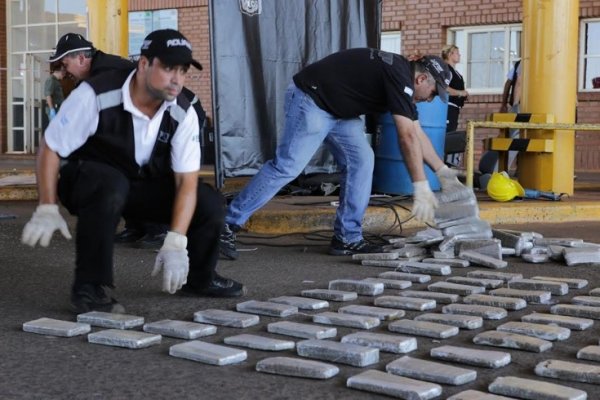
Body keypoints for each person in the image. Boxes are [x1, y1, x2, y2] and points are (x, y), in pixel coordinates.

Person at [22, 29, 245, 314]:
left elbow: (186, 182)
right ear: (143, 64)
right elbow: (50, 147)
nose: (176, 79)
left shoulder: (183, 111)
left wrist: (176, 240)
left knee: (209, 201)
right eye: (167, 68)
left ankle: (200, 278)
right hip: (87, 181)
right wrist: (47, 206)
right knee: (110, 183)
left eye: (183, 70)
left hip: (139, 184)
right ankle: (89, 287)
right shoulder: (96, 94)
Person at [219, 49, 465, 259]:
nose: (432, 99)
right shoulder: (399, 78)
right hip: (312, 99)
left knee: (362, 161)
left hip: (340, 111)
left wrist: (442, 172)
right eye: (434, 93)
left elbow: (417, 132)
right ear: (422, 79)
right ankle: (226, 224)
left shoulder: (404, 78)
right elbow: (407, 137)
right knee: (288, 167)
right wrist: (420, 185)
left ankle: (347, 237)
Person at [48, 32, 201, 249]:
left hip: (179, 111)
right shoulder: (95, 77)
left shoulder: (106, 73)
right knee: (124, 160)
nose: (64, 72)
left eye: (65, 64)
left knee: (153, 167)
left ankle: (160, 229)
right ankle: (136, 226)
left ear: (81, 59)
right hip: (160, 110)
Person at [441, 45, 469, 133]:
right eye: (457, 53)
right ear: (450, 54)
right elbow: (443, 87)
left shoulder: (455, 72)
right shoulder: (446, 69)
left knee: (451, 132)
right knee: (447, 134)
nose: (459, 55)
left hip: (454, 108)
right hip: (447, 108)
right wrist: (460, 93)